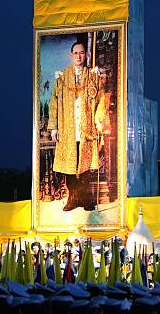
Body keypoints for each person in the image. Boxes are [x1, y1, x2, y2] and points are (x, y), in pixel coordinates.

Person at [48, 35, 108, 212]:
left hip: (86, 129)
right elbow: (54, 103)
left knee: (86, 165)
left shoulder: (93, 77)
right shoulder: (62, 78)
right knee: (70, 165)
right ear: (71, 55)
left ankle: (86, 198)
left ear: (86, 55)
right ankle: (72, 199)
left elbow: (100, 101)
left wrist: (98, 122)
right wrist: (54, 127)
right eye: (76, 53)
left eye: (82, 53)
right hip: (68, 128)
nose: (79, 56)